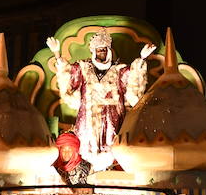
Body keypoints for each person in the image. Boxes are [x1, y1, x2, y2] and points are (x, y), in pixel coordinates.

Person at [46, 29, 155, 171]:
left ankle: (110, 170)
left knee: (112, 144)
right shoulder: (84, 69)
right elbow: (68, 76)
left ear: (109, 51)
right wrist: (56, 53)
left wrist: (142, 58)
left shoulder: (119, 70)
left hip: (112, 119)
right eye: (98, 50)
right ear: (94, 52)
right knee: (88, 145)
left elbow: (133, 82)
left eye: (104, 49)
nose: (101, 52)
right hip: (88, 118)